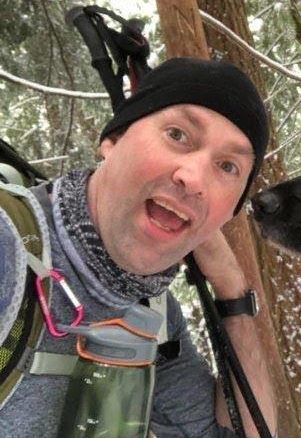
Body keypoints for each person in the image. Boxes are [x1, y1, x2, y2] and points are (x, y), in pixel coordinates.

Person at [0, 57, 277, 437]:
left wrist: (232, 290)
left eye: (228, 167)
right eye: (177, 135)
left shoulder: (153, 316)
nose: (193, 178)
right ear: (112, 141)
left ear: (228, 214)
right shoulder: (11, 247)